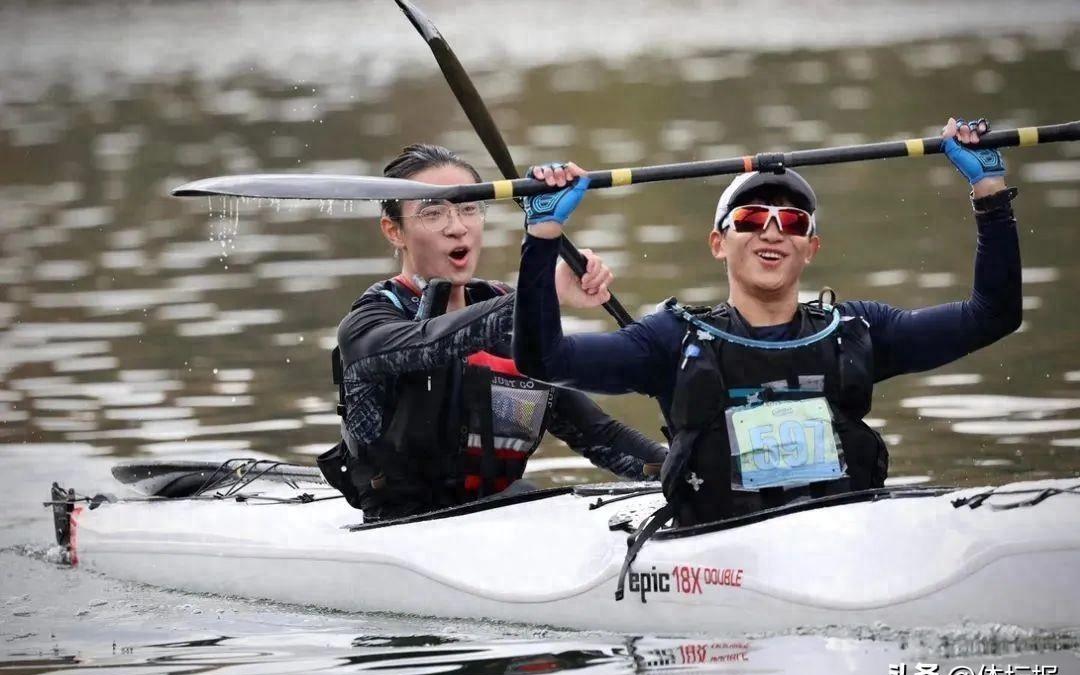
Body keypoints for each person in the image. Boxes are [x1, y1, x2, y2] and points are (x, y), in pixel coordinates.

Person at [513, 118, 1022, 525]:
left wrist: (990, 192)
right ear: (719, 243)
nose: (773, 233)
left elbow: (992, 315)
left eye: (793, 222)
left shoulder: (856, 330)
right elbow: (543, 360)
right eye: (752, 219)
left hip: (847, 540)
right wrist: (543, 237)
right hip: (717, 558)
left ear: (811, 248)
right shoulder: (672, 340)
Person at [317, 143, 668, 520]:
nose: (457, 227)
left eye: (468, 208)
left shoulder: (507, 317)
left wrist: (684, 469)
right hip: (399, 525)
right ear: (394, 231)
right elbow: (430, 343)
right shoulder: (368, 324)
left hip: (500, 518)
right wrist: (540, 291)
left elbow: (601, 437)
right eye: (433, 213)